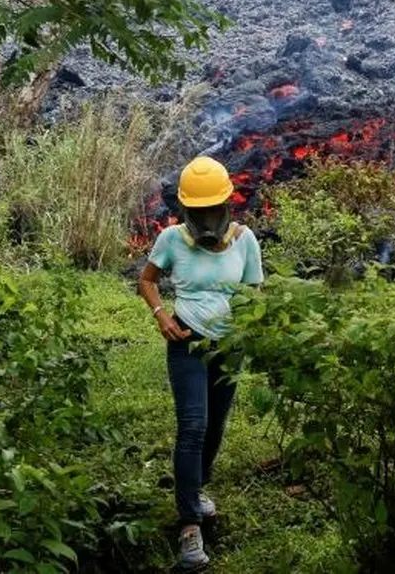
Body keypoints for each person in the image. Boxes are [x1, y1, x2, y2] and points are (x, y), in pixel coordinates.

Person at [138, 156, 264, 570]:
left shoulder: (245, 240)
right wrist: (162, 315)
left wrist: (250, 328)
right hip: (188, 342)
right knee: (192, 426)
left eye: (213, 209)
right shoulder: (172, 239)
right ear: (186, 210)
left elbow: (254, 293)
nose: (207, 218)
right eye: (199, 211)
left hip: (229, 347)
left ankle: (197, 488)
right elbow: (147, 280)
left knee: (215, 427)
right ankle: (189, 526)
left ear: (227, 205)